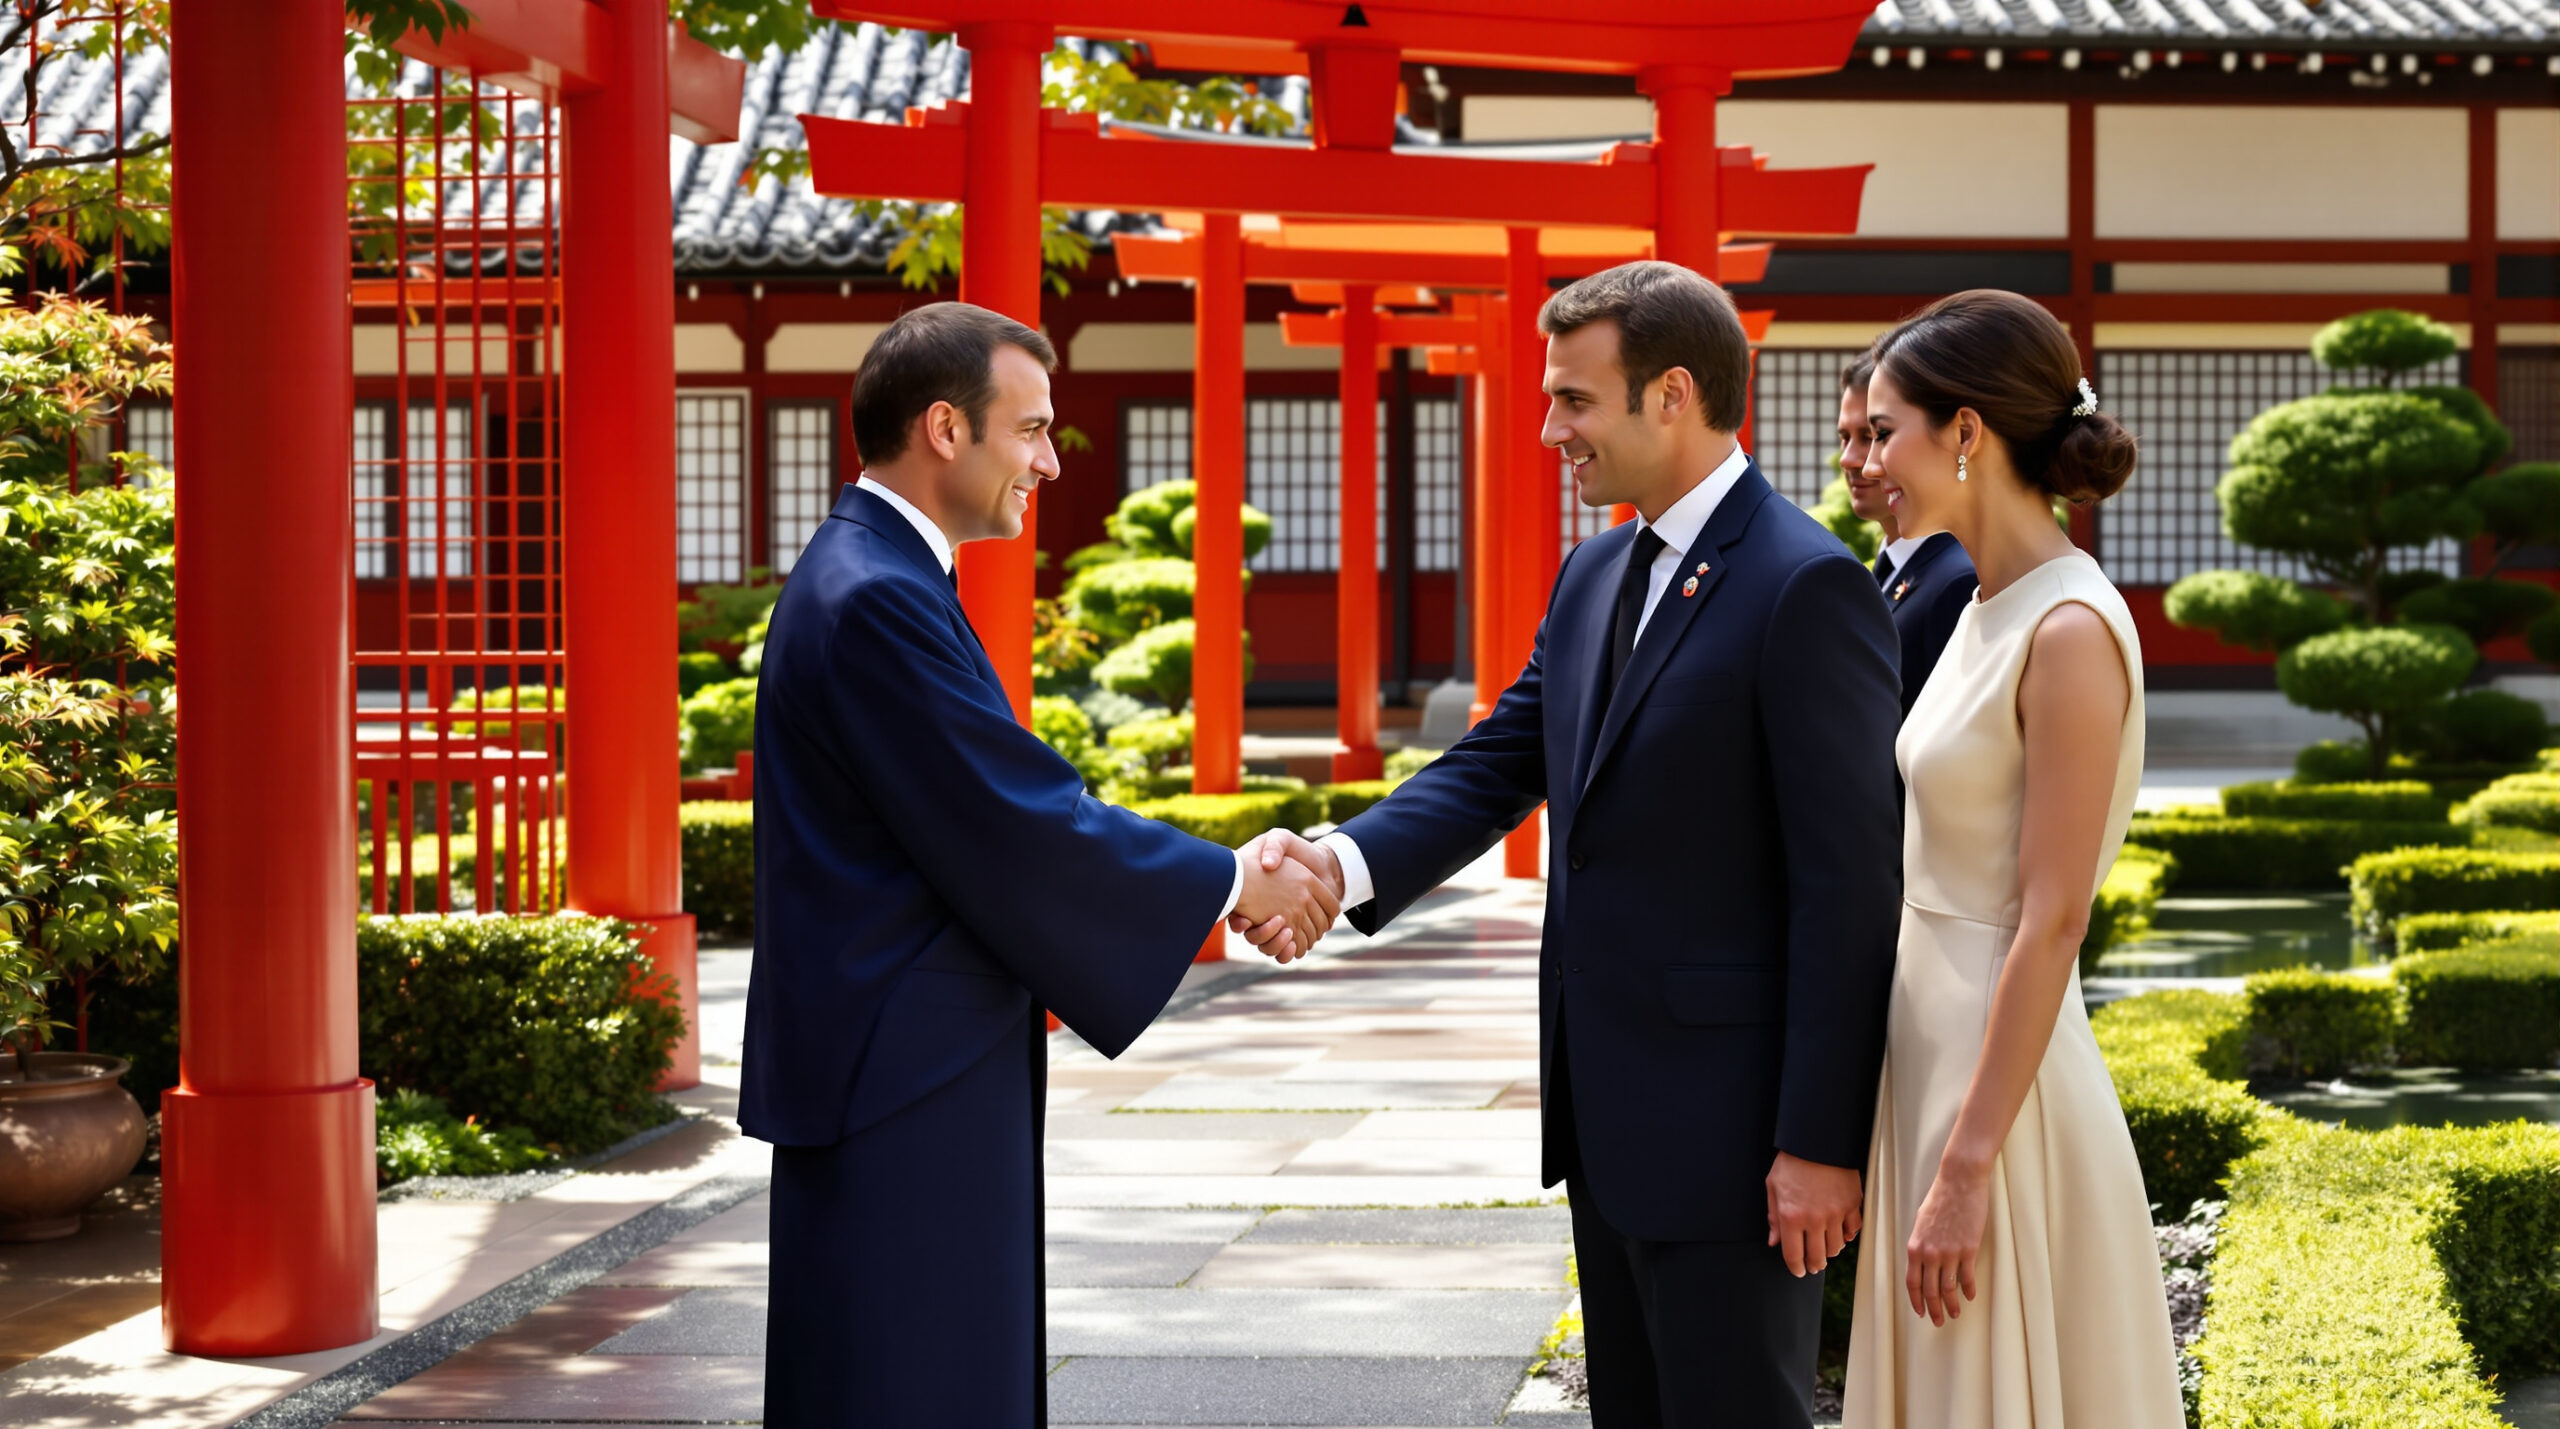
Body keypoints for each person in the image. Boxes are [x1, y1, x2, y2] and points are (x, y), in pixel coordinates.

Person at [1247, 260, 1903, 1427]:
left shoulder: (1807, 585)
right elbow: (1499, 761)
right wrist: (1336, 865)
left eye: (1573, 400)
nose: (1550, 429)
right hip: (1607, 1118)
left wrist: (1818, 1142)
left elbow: (1848, 888)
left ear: (1672, 396)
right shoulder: (1598, 568)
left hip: (1740, 1140)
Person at [741, 301, 1339, 1428]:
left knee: (911, 1359)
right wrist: (1228, 880)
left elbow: (992, 806)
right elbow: (1013, 815)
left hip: (898, 1049)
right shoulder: (874, 596)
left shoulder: (873, 572)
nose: (1050, 462)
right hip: (898, 1068)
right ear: (946, 430)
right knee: (913, 1373)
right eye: (1031, 431)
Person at [1841, 290, 2183, 1426]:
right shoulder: (1989, 601)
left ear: (1967, 433)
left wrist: (1968, 1162)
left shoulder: (2068, 628)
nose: (1871, 457)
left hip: (2000, 1089)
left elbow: (2052, 918)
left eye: (1886, 429)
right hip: (1932, 1057)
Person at [1838, 350, 1976, 717]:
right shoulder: (1885, 571)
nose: (1852, 460)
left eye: (1874, 435)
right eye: (1844, 438)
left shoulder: (1957, 581)